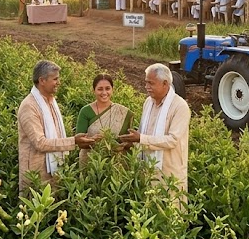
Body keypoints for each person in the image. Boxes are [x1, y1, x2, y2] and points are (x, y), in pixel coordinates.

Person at [18, 60, 98, 194]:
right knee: (35, 206)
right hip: (36, 174)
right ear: (42, 80)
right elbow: (40, 143)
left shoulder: (51, 101)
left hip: (54, 172)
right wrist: (73, 141)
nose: (58, 82)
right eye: (55, 79)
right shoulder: (29, 106)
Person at [119, 64, 191, 197]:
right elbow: (144, 132)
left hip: (169, 172)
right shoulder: (148, 102)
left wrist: (140, 138)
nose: (147, 87)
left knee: (170, 206)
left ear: (165, 84)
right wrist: (132, 142)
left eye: (151, 83)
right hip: (147, 169)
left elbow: (172, 140)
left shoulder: (179, 106)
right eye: (146, 82)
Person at [76, 74, 134, 161]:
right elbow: (80, 143)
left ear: (112, 90)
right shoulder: (85, 111)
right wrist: (93, 140)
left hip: (116, 163)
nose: (104, 93)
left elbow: (130, 143)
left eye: (107, 88)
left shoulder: (123, 112)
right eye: (100, 89)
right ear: (93, 91)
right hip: (91, 162)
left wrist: (119, 145)